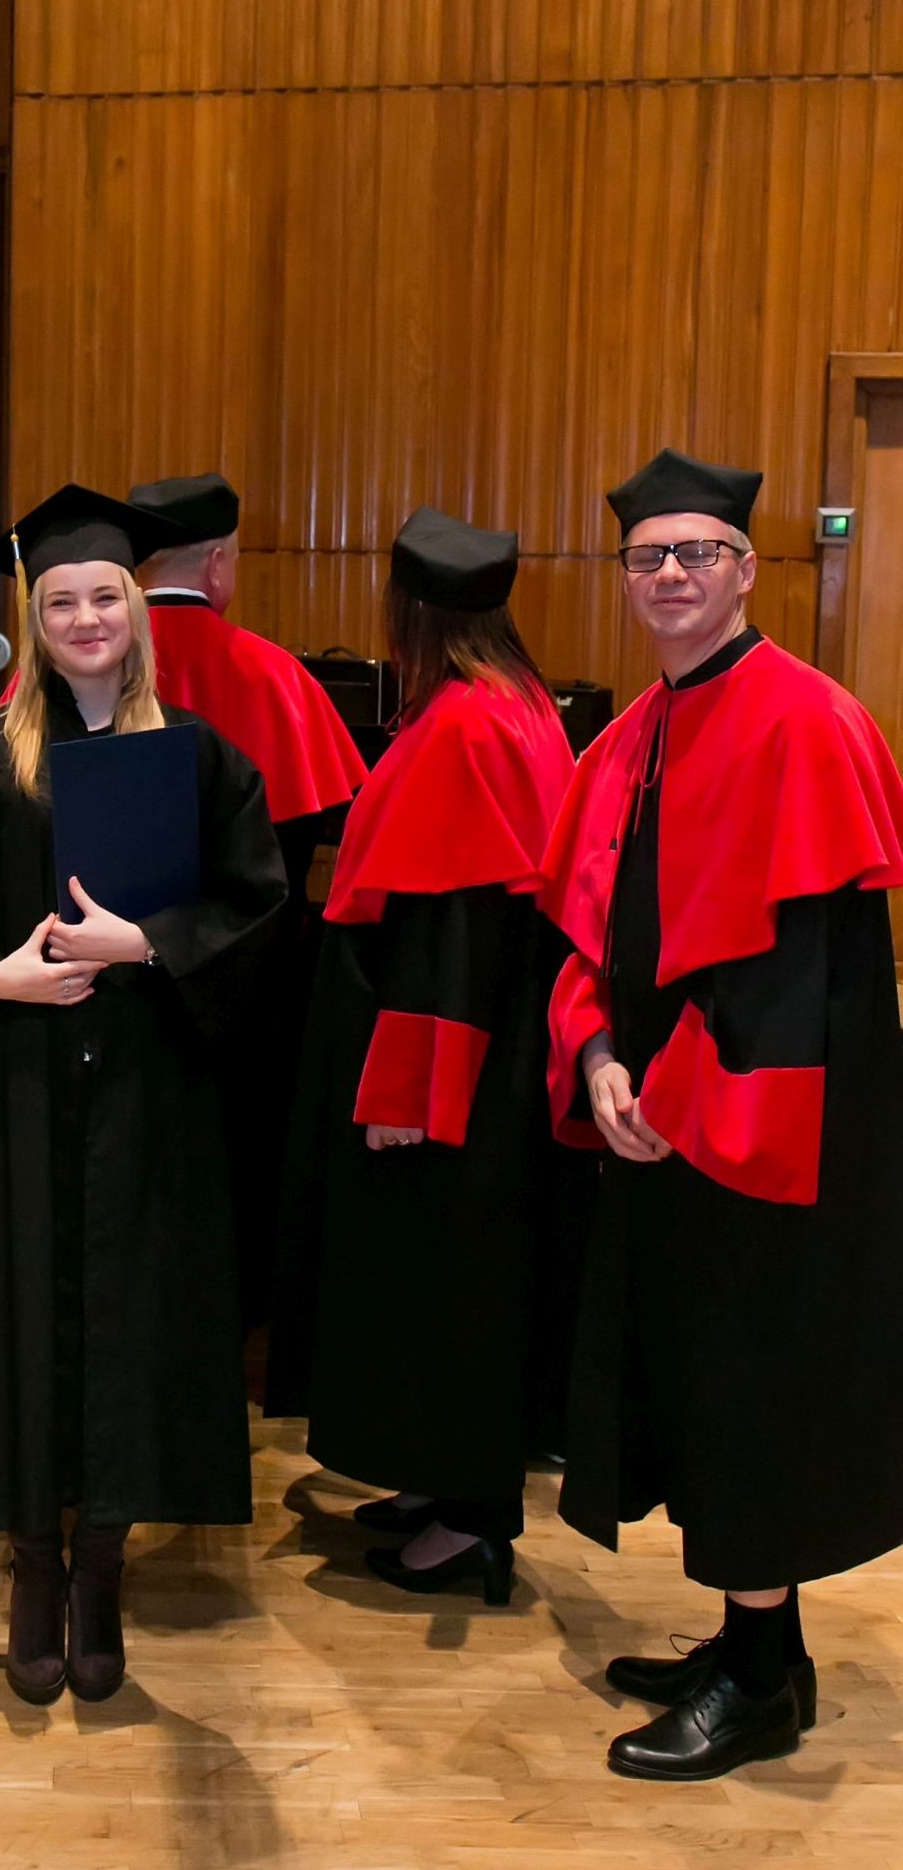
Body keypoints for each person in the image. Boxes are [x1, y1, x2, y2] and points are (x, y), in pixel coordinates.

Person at [0, 484, 286, 1705]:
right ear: (34, 618)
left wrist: (148, 944)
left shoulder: (196, 756)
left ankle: (101, 1561)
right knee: (15, 1316)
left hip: (148, 1092)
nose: (85, 619)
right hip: (11, 1082)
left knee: (132, 1317)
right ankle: (30, 1560)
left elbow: (258, 904)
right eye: (59, 601)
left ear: (135, 608)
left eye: (104, 596)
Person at [540, 448, 903, 1780]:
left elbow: (799, 981)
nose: (672, 574)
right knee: (691, 1373)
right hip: (656, 1117)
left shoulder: (806, 722)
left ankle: (756, 1686)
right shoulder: (634, 733)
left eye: (698, 553)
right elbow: (590, 931)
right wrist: (593, 1056)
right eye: (649, 557)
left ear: (746, 571)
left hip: (763, 1128)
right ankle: (763, 1649)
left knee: (753, 1383)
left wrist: (674, 1092)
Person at [267, 509, 575, 1601]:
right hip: (485, 1051)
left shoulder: (464, 729)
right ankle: (438, 1483)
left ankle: (471, 1517)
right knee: (444, 1275)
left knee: (448, 1277)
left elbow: (452, 935)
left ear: (409, 611)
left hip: (447, 1063)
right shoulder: (514, 702)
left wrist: (406, 1089)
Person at [127, 472, 368, 1327]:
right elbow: (334, 823)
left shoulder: (81, 671)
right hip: (245, 995)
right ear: (219, 561)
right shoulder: (276, 679)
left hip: (104, 987)